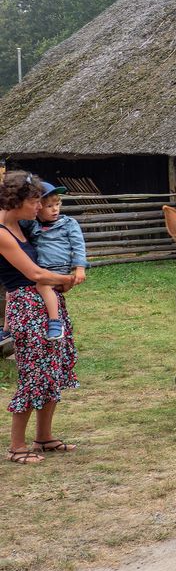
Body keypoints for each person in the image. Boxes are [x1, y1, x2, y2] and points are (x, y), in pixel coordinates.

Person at [1, 171, 79, 464]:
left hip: (47, 303)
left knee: (53, 370)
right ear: (18, 200)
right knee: (33, 374)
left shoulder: (23, 226)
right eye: (35, 200)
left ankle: (44, 437)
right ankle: (17, 446)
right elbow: (32, 274)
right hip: (27, 308)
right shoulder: (1, 232)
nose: (40, 206)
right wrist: (66, 278)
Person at [18, 182, 87, 340]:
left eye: (57, 204)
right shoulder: (33, 224)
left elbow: (78, 246)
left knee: (43, 286)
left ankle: (55, 322)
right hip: (41, 267)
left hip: (59, 266)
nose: (55, 209)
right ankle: (8, 328)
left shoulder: (68, 224)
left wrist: (80, 268)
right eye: (49, 206)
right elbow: (16, 220)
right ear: (38, 207)